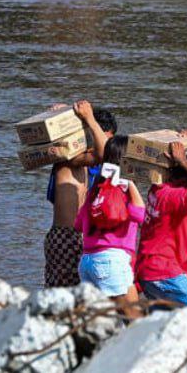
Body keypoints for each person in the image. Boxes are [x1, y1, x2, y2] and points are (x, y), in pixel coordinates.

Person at [136, 141, 187, 334]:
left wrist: (186, 145)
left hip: (149, 273)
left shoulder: (158, 189)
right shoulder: (175, 198)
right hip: (164, 273)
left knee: (166, 330)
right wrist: (183, 159)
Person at [75, 135, 145, 318]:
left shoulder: (96, 189)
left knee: (101, 322)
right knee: (135, 320)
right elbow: (141, 216)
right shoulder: (123, 189)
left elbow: (78, 225)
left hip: (87, 262)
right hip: (111, 262)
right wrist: (129, 182)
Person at [43, 100, 109, 288]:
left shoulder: (73, 159)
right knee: (68, 297)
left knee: (62, 293)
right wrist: (88, 118)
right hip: (67, 236)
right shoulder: (71, 159)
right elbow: (104, 153)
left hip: (63, 236)